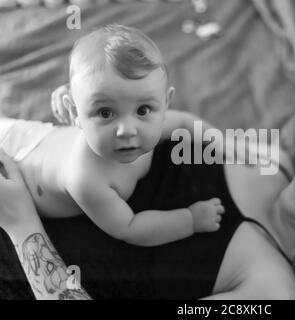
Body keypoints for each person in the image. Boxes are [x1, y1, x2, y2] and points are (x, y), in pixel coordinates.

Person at [0, 121, 295, 299]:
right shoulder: (266, 158)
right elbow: (162, 124)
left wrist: (22, 226)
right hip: (25, 168)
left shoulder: (271, 292)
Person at [0, 24, 226, 248]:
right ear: (75, 113)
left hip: (38, 137)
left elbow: (187, 122)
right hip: (14, 164)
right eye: (105, 113)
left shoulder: (157, 124)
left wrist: (225, 142)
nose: (127, 130)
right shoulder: (86, 179)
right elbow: (129, 227)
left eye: (143, 110)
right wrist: (190, 220)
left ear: (166, 103)